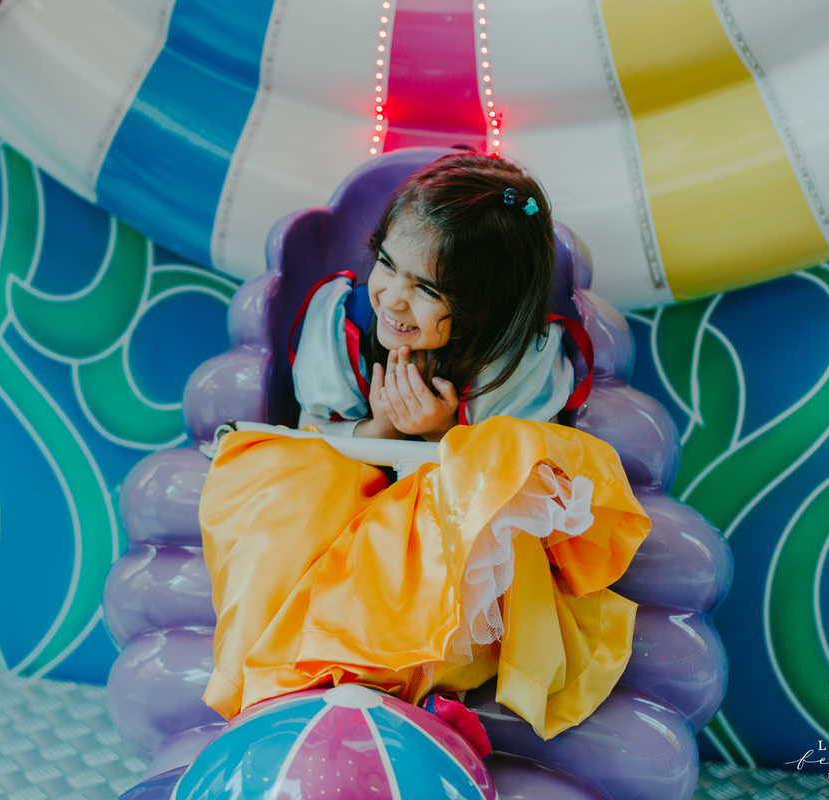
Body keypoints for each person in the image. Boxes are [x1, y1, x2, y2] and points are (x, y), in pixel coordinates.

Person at [199, 153, 650, 741]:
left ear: (487, 304)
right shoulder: (342, 318)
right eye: (387, 262)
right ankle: (279, 685)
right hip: (343, 509)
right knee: (291, 480)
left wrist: (442, 436)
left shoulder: (522, 360)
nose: (392, 297)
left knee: (481, 474)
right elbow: (315, 437)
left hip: (435, 540)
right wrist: (383, 431)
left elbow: (511, 489)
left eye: (427, 288)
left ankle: (399, 690)